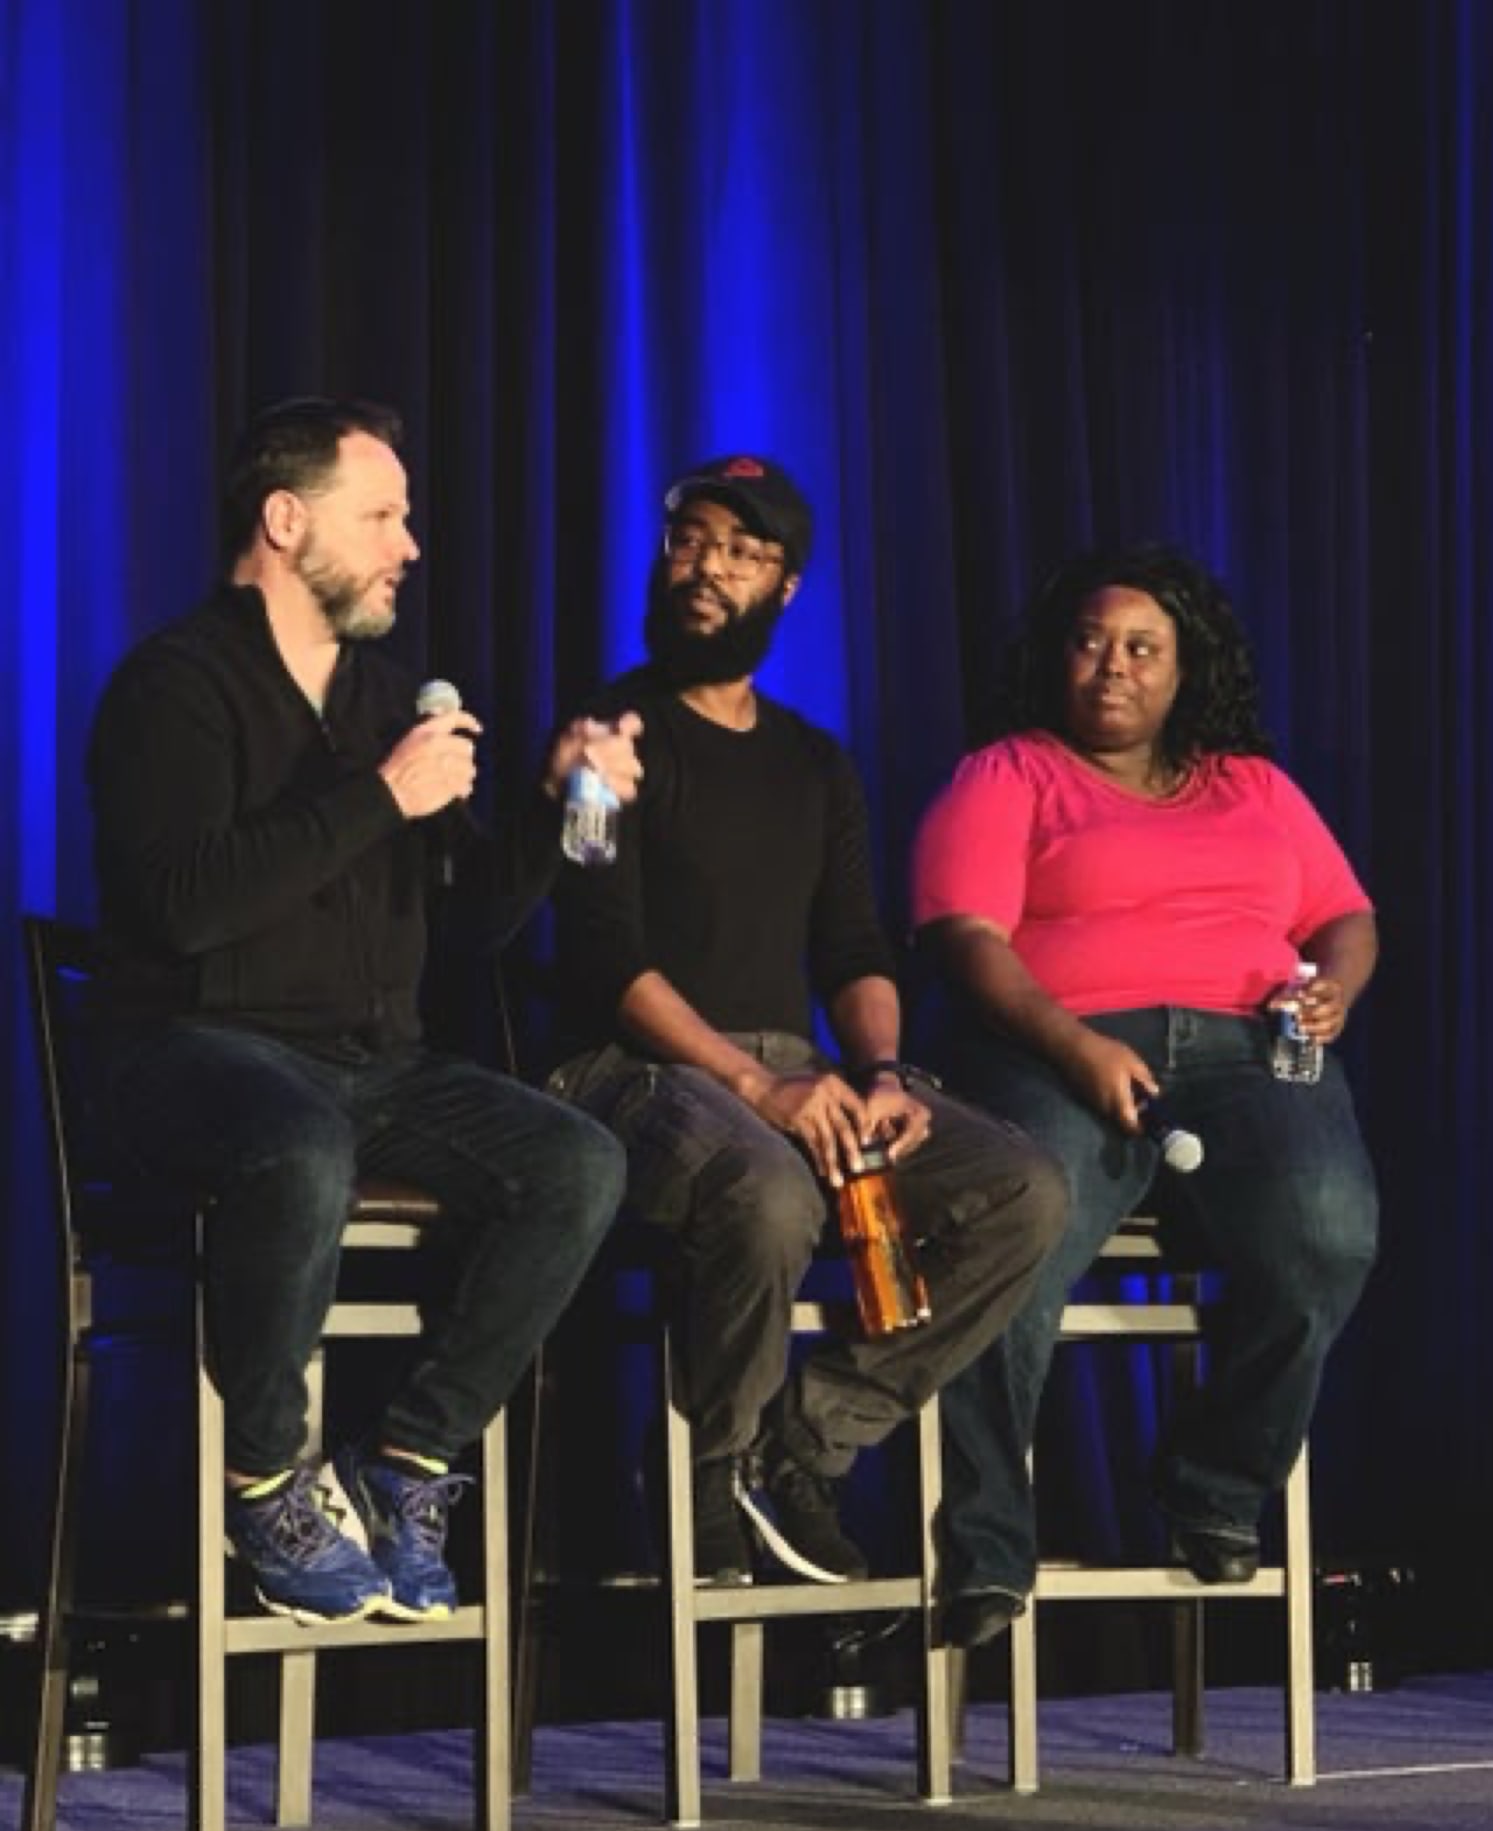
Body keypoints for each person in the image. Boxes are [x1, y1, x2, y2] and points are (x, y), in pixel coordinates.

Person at [86, 396, 639, 1625]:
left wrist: (567, 810)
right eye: (379, 515)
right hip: (189, 1050)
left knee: (576, 1161)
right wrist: (380, 797)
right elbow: (181, 907)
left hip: (365, 1062)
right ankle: (268, 1478)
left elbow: (466, 927)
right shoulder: (172, 686)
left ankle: (404, 1466)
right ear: (286, 521)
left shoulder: (391, 696)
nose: (409, 544)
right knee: (298, 1140)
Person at [547, 453, 1069, 1587]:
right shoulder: (605, 735)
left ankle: (800, 1442)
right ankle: (704, 1464)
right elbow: (601, 956)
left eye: (741, 553)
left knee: (1023, 1188)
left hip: (792, 1072)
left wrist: (881, 1073)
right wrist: (757, 1086)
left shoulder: (814, 763)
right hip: (628, 1068)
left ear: (783, 589)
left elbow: (854, 949)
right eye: (691, 540)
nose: (707, 568)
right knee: (770, 1189)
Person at [908, 542, 1381, 1650]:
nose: (1112, 667)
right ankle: (986, 1540)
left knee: (1328, 1232)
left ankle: (1215, 1484)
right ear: (1054, 657)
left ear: (1183, 669)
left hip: (1251, 1051)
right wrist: (1075, 1049)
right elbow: (966, 942)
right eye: (1089, 643)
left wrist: (1337, 993)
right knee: (1009, 1241)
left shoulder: (1253, 786)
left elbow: (1345, 916)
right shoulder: (1006, 773)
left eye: (1142, 648)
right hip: (1054, 1044)